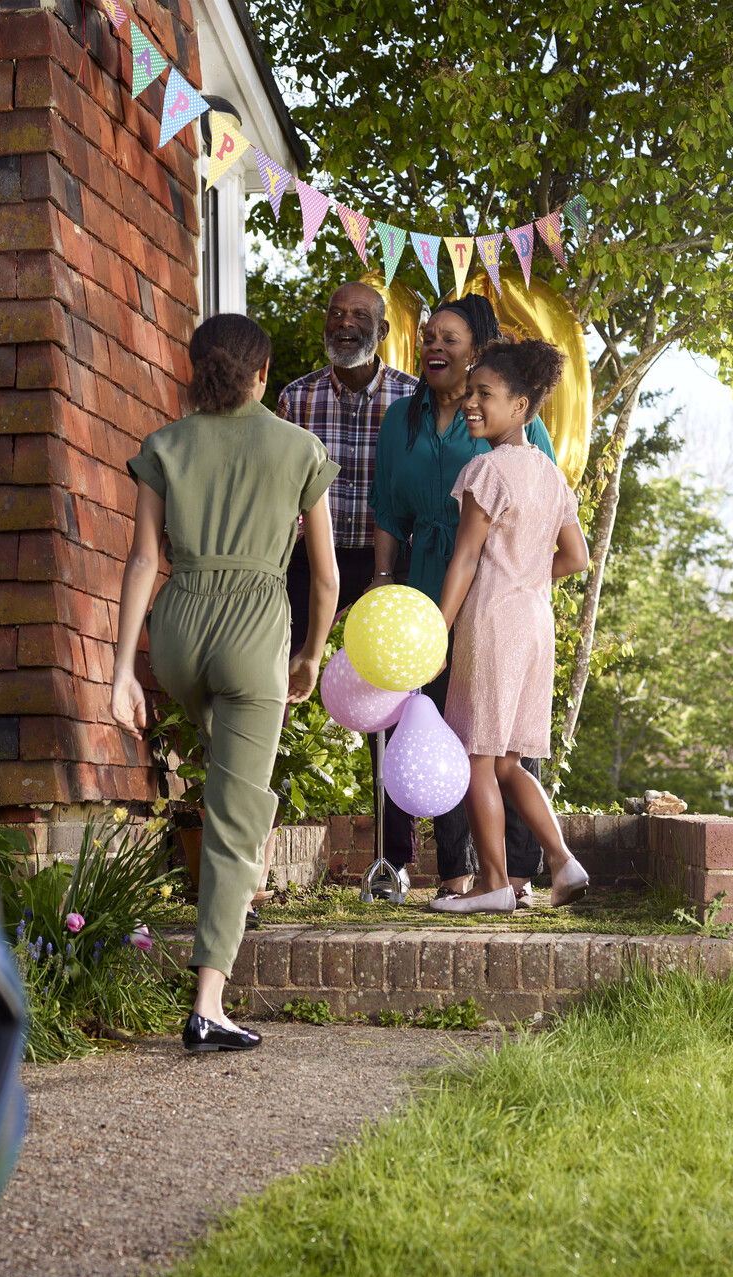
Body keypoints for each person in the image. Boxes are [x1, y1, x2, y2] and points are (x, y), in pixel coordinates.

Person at [111, 314, 340, 1050]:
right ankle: (208, 1003)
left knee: (230, 778)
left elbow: (144, 562)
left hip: (176, 635)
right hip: (251, 630)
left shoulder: (164, 445)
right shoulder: (300, 448)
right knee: (237, 817)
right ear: (263, 371)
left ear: (195, 367)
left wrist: (121, 672)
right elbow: (327, 578)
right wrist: (310, 652)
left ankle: (245, 862)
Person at [369, 295, 558, 900]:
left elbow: (538, 518)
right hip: (428, 577)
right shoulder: (402, 417)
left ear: (477, 352)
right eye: (427, 336)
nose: (433, 346)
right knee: (435, 727)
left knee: (497, 739)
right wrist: (381, 579)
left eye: (449, 337)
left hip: (485, 591)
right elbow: (387, 509)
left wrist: (520, 582)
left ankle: (516, 876)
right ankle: (456, 871)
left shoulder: (515, 428)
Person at [430, 339, 592, 914]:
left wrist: (437, 632)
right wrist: (527, 576)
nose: (471, 403)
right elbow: (575, 558)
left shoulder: (487, 468)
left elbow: (466, 559)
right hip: (535, 624)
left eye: (484, 395)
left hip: (493, 621)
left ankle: (493, 883)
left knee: (477, 755)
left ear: (521, 405)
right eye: (471, 393)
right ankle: (562, 860)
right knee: (508, 762)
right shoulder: (550, 474)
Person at [276, 281, 418, 890]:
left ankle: (395, 863)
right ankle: (255, 851)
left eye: (361, 316)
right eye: (336, 313)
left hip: (390, 563)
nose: (346, 323)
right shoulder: (295, 397)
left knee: (393, 700)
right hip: (310, 561)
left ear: (383, 332)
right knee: (274, 684)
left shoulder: (413, 399)